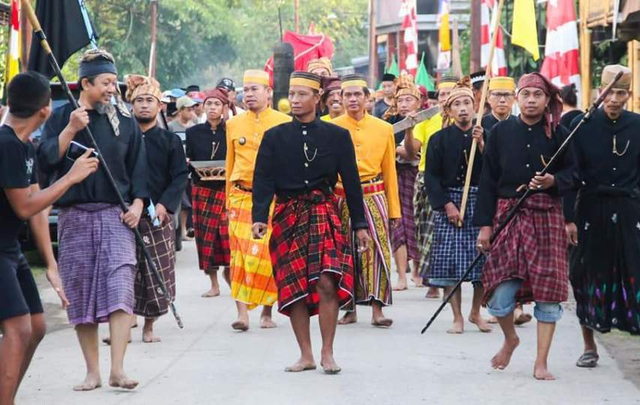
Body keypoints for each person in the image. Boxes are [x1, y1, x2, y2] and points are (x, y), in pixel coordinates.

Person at [38, 49, 148, 391]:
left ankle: (118, 369)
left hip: (117, 217)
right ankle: (92, 371)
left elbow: (139, 169)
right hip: (75, 217)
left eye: (114, 83)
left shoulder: (126, 121)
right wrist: (70, 129)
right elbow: (45, 161)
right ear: (85, 83)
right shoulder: (61, 117)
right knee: (81, 292)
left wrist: (139, 204)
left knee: (120, 288)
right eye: (105, 83)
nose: (112, 89)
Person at [252, 71, 370, 374]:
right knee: (294, 288)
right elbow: (263, 180)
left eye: (302, 94)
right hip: (287, 215)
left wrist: (360, 225)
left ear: (317, 98)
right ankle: (305, 355)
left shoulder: (337, 136)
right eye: (291, 94)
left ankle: (327, 352)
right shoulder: (274, 136)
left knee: (327, 281)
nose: (294, 100)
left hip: (323, 211)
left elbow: (352, 183)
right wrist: (258, 217)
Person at [0, 72, 99, 405]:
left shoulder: (24, 146)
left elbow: (38, 205)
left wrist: (51, 265)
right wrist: (70, 178)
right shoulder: (6, 145)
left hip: (10, 248)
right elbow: (26, 206)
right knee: (18, 329)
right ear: (45, 110)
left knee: (37, 325)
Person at [475, 72, 573, 380]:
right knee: (500, 295)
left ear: (547, 100)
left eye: (537, 95)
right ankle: (510, 339)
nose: (531, 100)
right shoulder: (501, 133)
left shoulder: (560, 133)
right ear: (517, 98)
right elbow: (488, 180)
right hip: (508, 215)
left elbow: (576, 175)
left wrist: (553, 180)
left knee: (548, 291)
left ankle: (541, 362)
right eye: (526, 94)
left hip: (547, 216)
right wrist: (484, 226)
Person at [564, 65, 640, 368]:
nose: (614, 99)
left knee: (634, 272)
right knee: (584, 273)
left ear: (629, 95)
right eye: (609, 92)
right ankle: (589, 345)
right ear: (599, 92)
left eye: (621, 93)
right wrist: (568, 218)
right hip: (590, 209)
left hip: (630, 209)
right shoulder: (582, 126)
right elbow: (569, 177)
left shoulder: (637, 125)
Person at [332, 74, 401, 327]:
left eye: (357, 94)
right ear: (340, 98)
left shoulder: (384, 129)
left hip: (374, 194)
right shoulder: (332, 126)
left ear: (368, 98)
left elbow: (390, 171)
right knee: (343, 251)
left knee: (378, 250)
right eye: (347, 95)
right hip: (340, 197)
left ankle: (377, 309)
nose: (352, 99)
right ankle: (348, 308)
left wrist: (394, 210)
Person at [225, 69, 291, 331]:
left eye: (254, 89)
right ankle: (242, 313)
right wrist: (228, 201)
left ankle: (267, 312)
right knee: (239, 256)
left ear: (268, 93)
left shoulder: (284, 122)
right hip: (240, 197)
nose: (249, 94)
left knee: (267, 255)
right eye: (246, 90)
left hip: (273, 199)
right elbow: (230, 166)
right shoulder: (233, 124)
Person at [424, 77, 490, 334]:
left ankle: (475, 312)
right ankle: (457, 316)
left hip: (479, 203)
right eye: (457, 104)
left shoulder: (486, 136)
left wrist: (483, 145)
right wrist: (447, 205)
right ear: (449, 111)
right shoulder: (438, 140)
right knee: (451, 264)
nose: (463, 108)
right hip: (450, 204)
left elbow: (494, 171)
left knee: (480, 262)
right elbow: (431, 178)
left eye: (467, 103)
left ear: (475, 107)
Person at [127, 75, 188, 343]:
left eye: (149, 100)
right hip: (125, 212)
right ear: (131, 105)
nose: (143, 106)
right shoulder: (122, 139)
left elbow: (180, 176)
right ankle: (124, 322)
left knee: (154, 271)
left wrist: (165, 205)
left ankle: (148, 326)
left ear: (160, 106)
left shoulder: (169, 140)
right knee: (125, 269)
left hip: (156, 212)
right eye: (139, 100)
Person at [481, 76, 531, 326]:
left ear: (514, 98)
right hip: (490, 199)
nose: (501, 100)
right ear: (488, 99)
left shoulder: (521, 125)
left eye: (506, 95)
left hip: (519, 201)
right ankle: (497, 306)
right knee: (498, 255)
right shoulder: (478, 124)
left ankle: (518, 305)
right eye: (496, 95)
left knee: (520, 256)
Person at [412, 77, 457, 297]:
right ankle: (431, 280)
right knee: (426, 232)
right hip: (426, 180)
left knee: (447, 234)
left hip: (455, 185)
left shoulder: (467, 121)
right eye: (441, 94)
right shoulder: (427, 120)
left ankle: (447, 279)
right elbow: (412, 151)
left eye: (450, 94)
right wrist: (411, 127)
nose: (445, 98)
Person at [186, 88, 232, 298]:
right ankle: (213, 283)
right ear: (204, 107)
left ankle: (231, 278)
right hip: (202, 189)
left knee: (227, 237)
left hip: (226, 189)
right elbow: (188, 159)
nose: (212, 108)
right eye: (209, 104)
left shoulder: (232, 130)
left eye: (216, 104)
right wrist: (189, 164)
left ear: (224, 108)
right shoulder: (193, 133)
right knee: (206, 239)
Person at [383, 75, 422, 291]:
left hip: (416, 176)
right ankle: (401, 276)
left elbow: (411, 152)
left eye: (409, 100)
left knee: (416, 222)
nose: (405, 104)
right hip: (393, 175)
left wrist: (406, 134)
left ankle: (417, 270)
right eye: (401, 100)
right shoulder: (388, 122)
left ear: (418, 102)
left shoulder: (425, 121)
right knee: (397, 224)